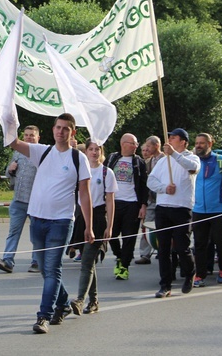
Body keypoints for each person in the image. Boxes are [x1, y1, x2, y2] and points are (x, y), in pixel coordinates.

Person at [8, 113, 92, 334]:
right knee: (46, 271)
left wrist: (89, 226)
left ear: (72, 132)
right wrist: (8, 118)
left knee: (52, 269)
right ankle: (63, 304)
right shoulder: (42, 151)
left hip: (61, 221)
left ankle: (43, 316)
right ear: (53, 129)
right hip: (37, 219)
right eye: (58, 127)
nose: (61, 131)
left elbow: (84, 195)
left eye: (66, 129)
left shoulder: (78, 158)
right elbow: (13, 142)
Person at [147, 128, 200, 298]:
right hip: (163, 207)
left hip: (181, 208)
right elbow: (150, 180)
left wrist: (175, 154)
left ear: (183, 141)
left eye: (174, 137)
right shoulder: (164, 161)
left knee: (181, 246)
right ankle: (165, 285)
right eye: (169, 137)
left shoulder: (191, 157)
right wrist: (163, 188)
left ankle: (190, 272)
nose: (169, 139)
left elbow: (192, 168)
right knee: (163, 248)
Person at [70, 141, 116, 316]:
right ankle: (94, 300)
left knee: (87, 261)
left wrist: (109, 226)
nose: (94, 152)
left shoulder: (106, 173)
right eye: (91, 149)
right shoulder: (81, 170)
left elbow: (110, 201)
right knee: (88, 263)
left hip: (97, 218)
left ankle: (80, 300)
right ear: (86, 151)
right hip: (81, 217)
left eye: (98, 149)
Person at [191, 134, 222, 287]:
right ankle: (200, 275)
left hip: (219, 209)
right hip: (198, 209)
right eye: (197, 143)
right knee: (199, 244)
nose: (199, 146)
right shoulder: (194, 161)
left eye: (202, 143)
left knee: (220, 242)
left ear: (210, 144)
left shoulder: (221, 161)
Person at [0, 126, 40, 274]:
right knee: (13, 232)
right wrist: (10, 169)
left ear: (38, 137)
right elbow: (9, 174)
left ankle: (36, 262)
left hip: (36, 202)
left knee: (36, 235)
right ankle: (8, 261)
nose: (28, 138)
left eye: (32, 135)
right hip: (18, 200)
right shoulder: (18, 152)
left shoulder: (42, 153)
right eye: (26, 135)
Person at [105, 133, 147, 280]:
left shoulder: (138, 162)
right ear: (123, 144)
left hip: (132, 204)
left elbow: (143, 184)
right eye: (133, 143)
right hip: (114, 203)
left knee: (129, 237)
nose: (136, 146)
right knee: (111, 234)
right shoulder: (112, 158)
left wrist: (143, 205)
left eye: (136, 143)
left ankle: (124, 266)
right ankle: (119, 256)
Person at [136, 136, 164, 264]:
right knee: (146, 225)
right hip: (151, 199)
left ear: (156, 146)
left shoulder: (166, 160)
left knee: (164, 227)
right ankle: (145, 254)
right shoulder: (147, 162)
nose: (146, 148)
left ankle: (163, 250)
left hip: (164, 198)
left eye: (149, 146)